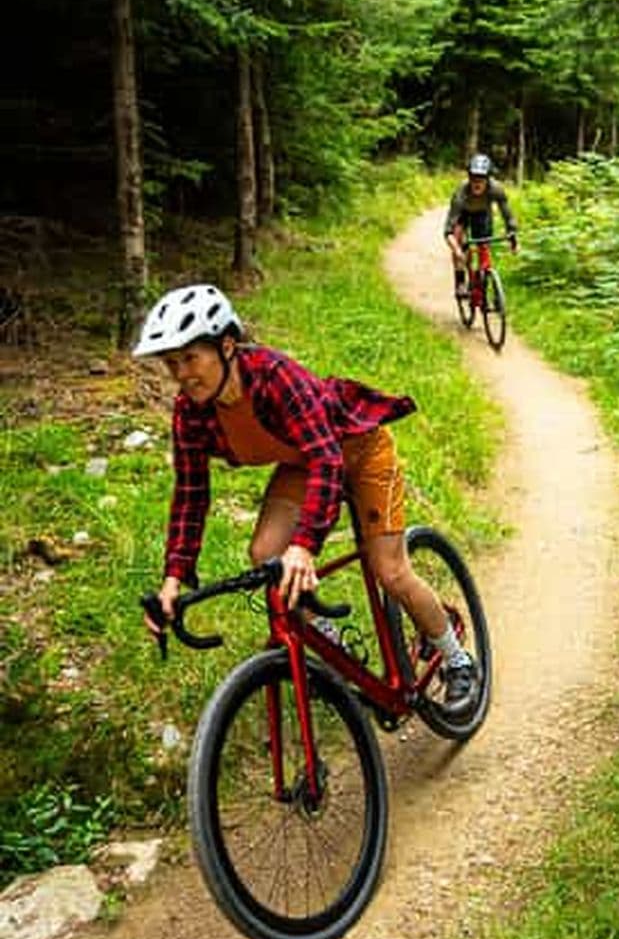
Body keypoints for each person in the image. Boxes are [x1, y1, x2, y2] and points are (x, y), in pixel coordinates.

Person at [133, 283, 477, 714]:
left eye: (190, 358)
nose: (182, 373)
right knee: (264, 554)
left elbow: (329, 461)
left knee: (389, 570)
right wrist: (173, 578)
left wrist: (304, 545)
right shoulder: (191, 412)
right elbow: (190, 494)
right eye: (171, 363)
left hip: (358, 450)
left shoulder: (275, 377)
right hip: (304, 463)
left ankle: (456, 657)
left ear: (226, 346)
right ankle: (333, 651)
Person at [444, 153, 519, 294]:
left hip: (482, 214)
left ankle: (481, 278)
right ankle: (460, 281)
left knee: (483, 245)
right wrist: (457, 250)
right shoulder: (461, 193)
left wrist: (513, 237)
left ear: (488, 179)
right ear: (469, 177)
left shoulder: (496, 189)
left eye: (482, 179)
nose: (477, 182)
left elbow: (507, 215)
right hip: (463, 215)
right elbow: (448, 230)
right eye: (473, 178)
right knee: (459, 239)